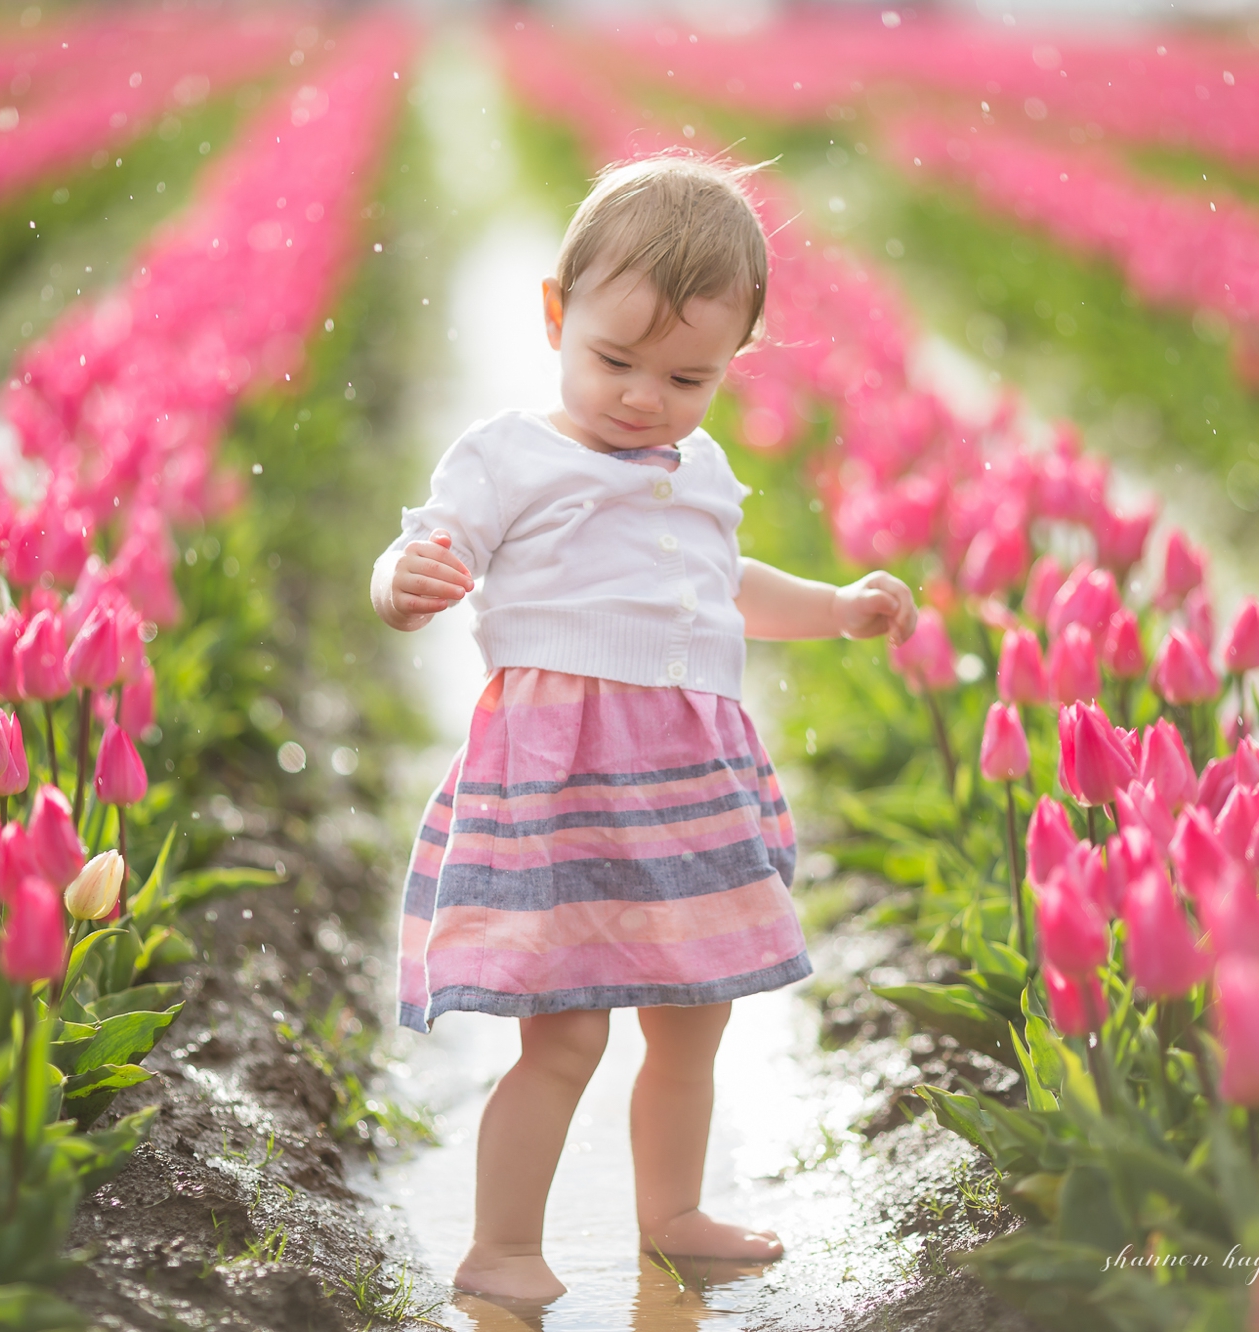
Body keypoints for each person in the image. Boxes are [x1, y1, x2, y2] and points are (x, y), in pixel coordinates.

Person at [372, 152, 917, 1303]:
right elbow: (431, 541)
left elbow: (724, 585)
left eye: (685, 376)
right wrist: (402, 580)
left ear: (730, 366)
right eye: (613, 360)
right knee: (563, 1035)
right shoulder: (509, 456)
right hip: (563, 780)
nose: (641, 397)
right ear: (553, 314)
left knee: (691, 1019)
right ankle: (503, 1244)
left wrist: (834, 611)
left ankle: (672, 1210)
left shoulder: (702, 468)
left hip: (683, 781)